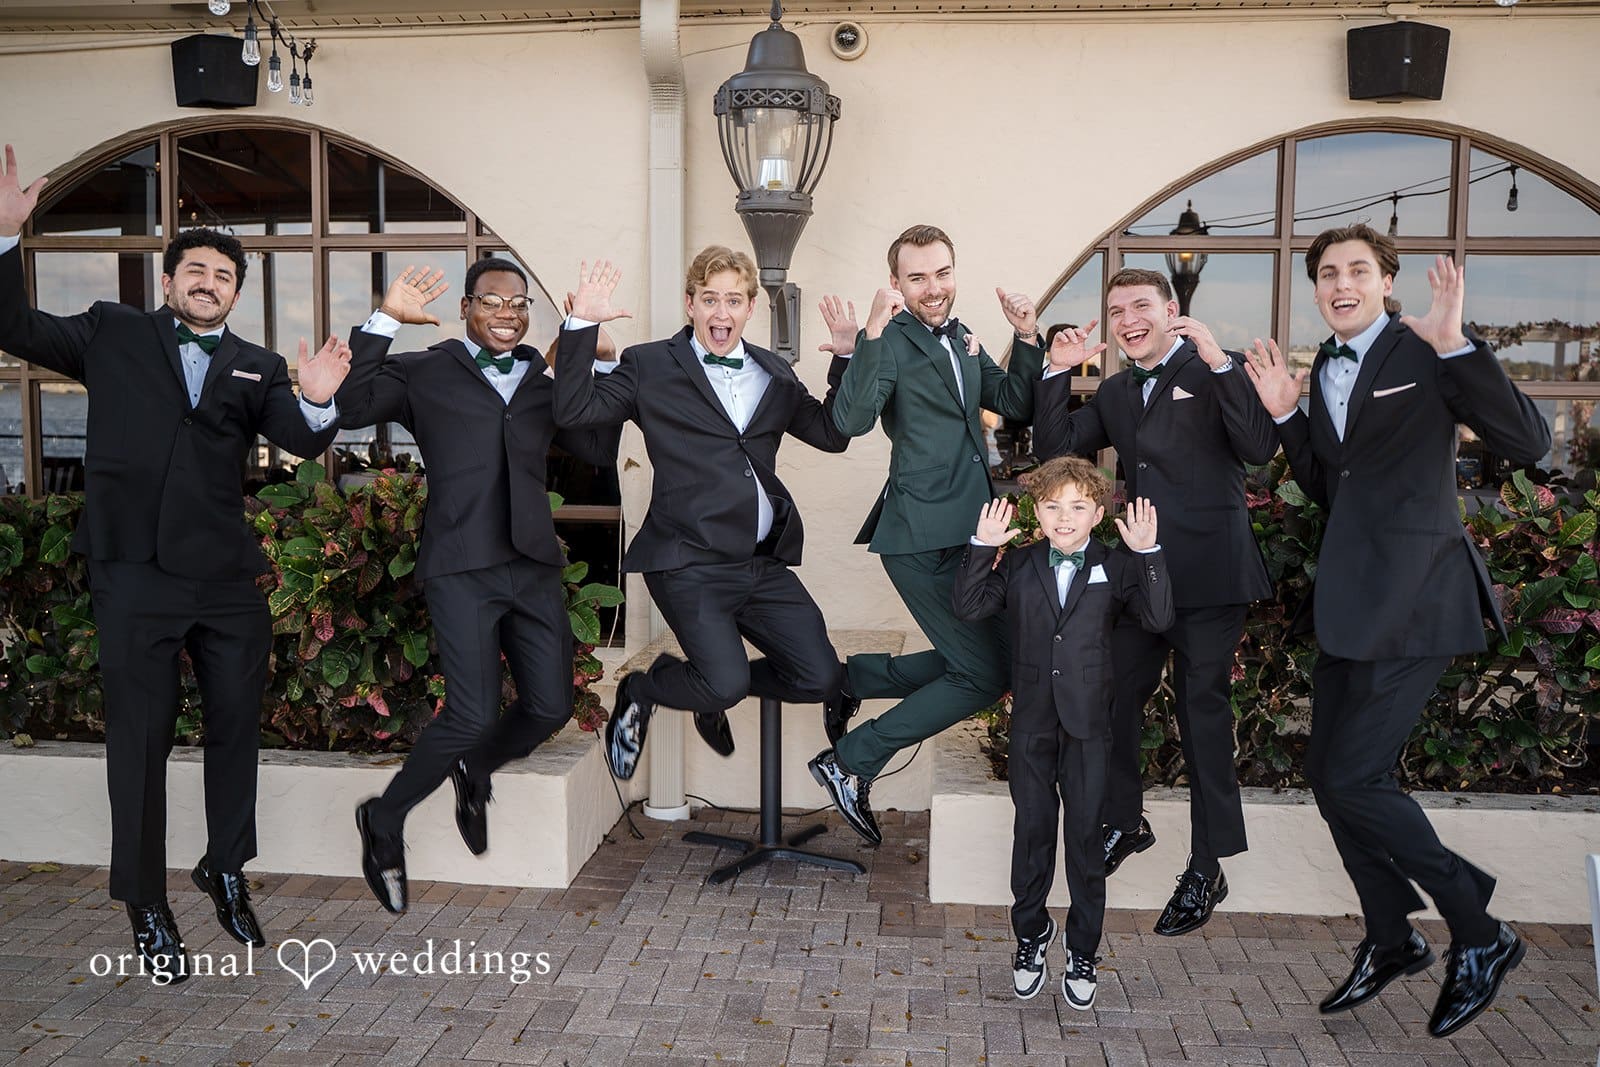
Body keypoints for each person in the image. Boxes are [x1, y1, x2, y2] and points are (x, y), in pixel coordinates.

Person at [0, 145, 350, 983]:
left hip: (225, 578)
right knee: (141, 741)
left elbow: (300, 441)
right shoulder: (112, 332)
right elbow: (14, 327)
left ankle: (224, 864)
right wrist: (7, 236)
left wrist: (317, 395)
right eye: (193, 270)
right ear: (167, 284)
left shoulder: (259, 365)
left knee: (237, 723)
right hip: (133, 574)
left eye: (222, 275)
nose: (207, 282)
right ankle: (146, 903)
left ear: (235, 292)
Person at [1242, 224, 1550, 1038]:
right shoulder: (1327, 369)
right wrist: (1284, 418)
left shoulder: (1426, 349)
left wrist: (1458, 348)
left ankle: (1479, 934)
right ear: (1316, 288)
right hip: (1350, 605)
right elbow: (1330, 485)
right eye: (1328, 273)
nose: (1341, 283)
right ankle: (1391, 938)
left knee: (1354, 779)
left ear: (1387, 280)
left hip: (1417, 602)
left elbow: (1531, 441)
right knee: (1326, 773)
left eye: (1358, 270)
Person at [337, 259, 621, 914]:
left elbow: (597, 447)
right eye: (492, 300)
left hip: (531, 563)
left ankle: (476, 767)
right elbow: (350, 404)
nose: (507, 312)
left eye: (519, 303)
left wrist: (595, 355)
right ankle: (383, 820)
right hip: (461, 564)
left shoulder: (540, 378)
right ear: (467, 307)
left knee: (549, 706)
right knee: (469, 711)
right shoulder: (426, 370)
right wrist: (384, 319)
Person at [1031, 268, 1279, 935]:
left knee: (1201, 721)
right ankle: (1124, 819)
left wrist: (1223, 364)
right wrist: (1057, 372)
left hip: (1210, 580)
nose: (1128, 319)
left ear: (1172, 310)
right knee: (1103, 695)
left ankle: (1206, 866)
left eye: (1141, 305)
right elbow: (1053, 452)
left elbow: (1260, 448)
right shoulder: (1115, 390)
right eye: (1116, 311)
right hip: (1142, 578)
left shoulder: (1208, 370)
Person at [551, 249, 851, 783]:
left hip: (760, 564)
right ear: (690, 304)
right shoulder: (648, 364)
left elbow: (832, 434)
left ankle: (696, 678)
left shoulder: (774, 372)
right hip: (687, 561)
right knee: (725, 685)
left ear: (751, 306)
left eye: (733, 300)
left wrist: (847, 358)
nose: (721, 312)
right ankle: (645, 689)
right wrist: (581, 326)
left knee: (821, 676)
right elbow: (575, 412)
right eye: (709, 299)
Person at [809, 224, 1045, 844]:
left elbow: (1012, 402)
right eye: (917, 277)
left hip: (974, 533)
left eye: (942, 272)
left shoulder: (963, 337)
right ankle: (850, 760)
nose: (933, 287)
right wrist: (869, 336)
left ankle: (857, 677)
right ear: (896, 283)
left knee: (989, 661)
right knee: (982, 676)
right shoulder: (889, 341)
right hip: (920, 536)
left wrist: (1025, 337)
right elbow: (851, 420)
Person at [953, 457, 1172, 1008]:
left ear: (1098, 514)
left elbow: (1159, 618)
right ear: (1038, 512)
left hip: (1090, 723)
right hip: (1031, 720)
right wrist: (983, 547)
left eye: (1077, 506)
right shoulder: (1021, 563)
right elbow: (969, 605)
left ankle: (1082, 949)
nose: (1065, 516)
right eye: (1052, 506)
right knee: (1032, 832)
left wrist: (1148, 554)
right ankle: (1030, 936)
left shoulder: (1117, 565)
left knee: (1084, 841)